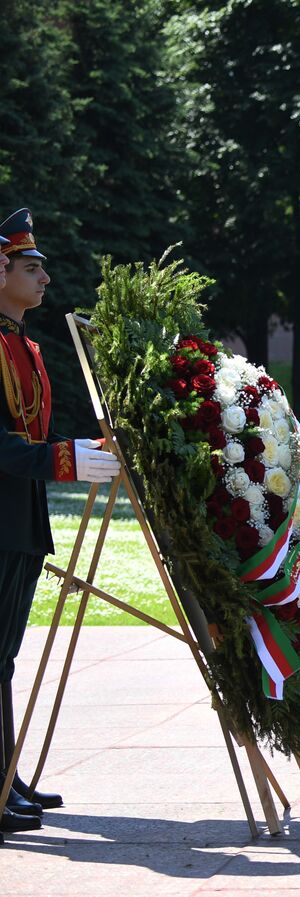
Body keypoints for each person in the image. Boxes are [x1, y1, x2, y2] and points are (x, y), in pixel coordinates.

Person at [0, 209, 120, 834]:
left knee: (5, 657)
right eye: (30, 266)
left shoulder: (22, 343)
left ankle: (6, 773)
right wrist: (69, 459)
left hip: (17, 521)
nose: (44, 276)